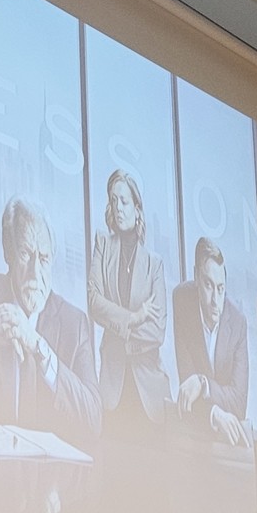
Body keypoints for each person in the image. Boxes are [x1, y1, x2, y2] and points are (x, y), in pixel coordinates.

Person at [0, 199, 101, 441]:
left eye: (44, 259)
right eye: (25, 254)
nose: (35, 272)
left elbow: (93, 421)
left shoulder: (73, 324)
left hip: (50, 465)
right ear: (8, 253)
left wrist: (38, 346)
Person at [86, 170, 169, 434]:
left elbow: (158, 331)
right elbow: (94, 302)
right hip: (112, 387)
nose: (118, 208)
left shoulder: (154, 264)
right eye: (113, 201)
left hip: (150, 392)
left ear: (137, 207)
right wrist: (133, 318)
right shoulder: (103, 244)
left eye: (124, 201)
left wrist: (118, 328)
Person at [171, 237, 249, 446]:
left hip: (230, 439)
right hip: (195, 431)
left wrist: (203, 384)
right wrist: (215, 413)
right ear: (196, 277)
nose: (215, 300)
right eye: (208, 285)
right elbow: (187, 390)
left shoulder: (238, 322)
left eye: (221, 288)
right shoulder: (181, 300)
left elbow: (239, 403)